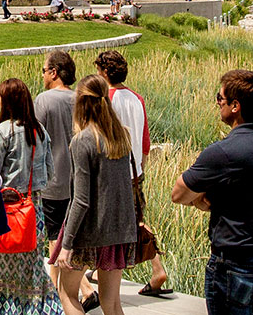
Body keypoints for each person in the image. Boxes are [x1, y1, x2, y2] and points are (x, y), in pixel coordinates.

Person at [170, 70, 253, 314]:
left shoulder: (224, 151)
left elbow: (178, 193)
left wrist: (201, 200)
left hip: (234, 263)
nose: (217, 103)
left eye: (219, 98)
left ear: (236, 106)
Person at [51, 74, 140, 315]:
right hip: (119, 228)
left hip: (88, 231)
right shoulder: (122, 136)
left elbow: (80, 199)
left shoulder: (83, 141)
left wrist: (67, 243)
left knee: (67, 294)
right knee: (112, 303)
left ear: (80, 103)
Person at [93, 51, 171, 297]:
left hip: (113, 171)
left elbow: (101, 138)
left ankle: (101, 268)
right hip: (135, 168)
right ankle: (156, 267)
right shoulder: (137, 98)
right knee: (135, 219)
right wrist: (141, 168)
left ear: (105, 72)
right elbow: (145, 139)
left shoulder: (106, 98)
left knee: (106, 219)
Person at [0, 78, 65, 315]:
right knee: (31, 268)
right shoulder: (39, 130)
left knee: (2, 271)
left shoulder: (1, 132)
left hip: (7, 211)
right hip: (34, 209)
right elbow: (49, 172)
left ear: (7, 102)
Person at [33, 52, 80, 299]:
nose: (42, 75)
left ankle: (54, 292)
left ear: (54, 72)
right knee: (70, 236)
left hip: (52, 181)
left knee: (54, 238)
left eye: (44, 70)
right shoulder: (80, 100)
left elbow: (33, 138)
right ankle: (73, 288)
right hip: (78, 182)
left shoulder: (43, 101)